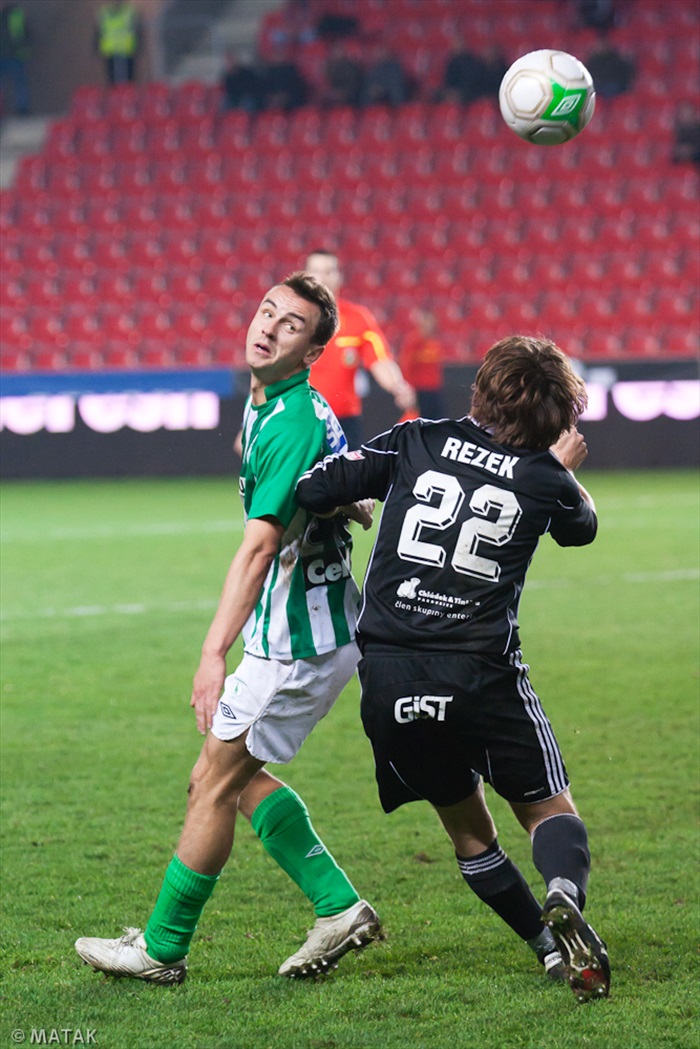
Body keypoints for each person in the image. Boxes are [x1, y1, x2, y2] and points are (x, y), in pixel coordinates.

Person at [75, 274, 382, 984]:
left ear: (312, 351)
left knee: (210, 785)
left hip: (299, 643)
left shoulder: (293, 418)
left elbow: (259, 547)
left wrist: (213, 652)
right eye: (267, 311)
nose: (268, 327)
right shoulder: (270, 401)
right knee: (228, 779)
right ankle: (338, 904)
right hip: (299, 630)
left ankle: (162, 950)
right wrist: (344, 501)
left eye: (291, 324)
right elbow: (332, 482)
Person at [296, 336, 611, 1002]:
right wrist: (561, 468)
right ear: (556, 418)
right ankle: (563, 891)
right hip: (481, 672)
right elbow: (581, 528)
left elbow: (314, 487)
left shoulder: (414, 441)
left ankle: (546, 949)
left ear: (479, 390)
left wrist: (351, 505)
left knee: (469, 831)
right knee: (548, 810)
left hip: (390, 677)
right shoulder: (545, 476)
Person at [304, 249, 416, 448]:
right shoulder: (293, 319)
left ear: (339, 276)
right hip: (302, 419)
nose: (322, 278)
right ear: (305, 277)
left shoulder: (358, 318)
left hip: (344, 423)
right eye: (316, 271)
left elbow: (381, 360)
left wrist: (398, 386)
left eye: (329, 271)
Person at [398, 307, 447, 420]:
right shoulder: (413, 341)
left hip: (434, 389)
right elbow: (406, 365)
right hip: (420, 390)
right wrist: (409, 387)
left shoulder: (435, 342)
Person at [96, 1, 140, 86]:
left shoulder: (129, 12)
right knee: (112, 80)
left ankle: (127, 93)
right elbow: (98, 32)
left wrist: (138, 47)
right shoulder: (104, 13)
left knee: (128, 79)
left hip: (127, 50)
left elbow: (137, 31)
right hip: (111, 51)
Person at [0, 1, 30, 115]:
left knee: (19, 82)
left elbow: (25, 33)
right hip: (5, 54)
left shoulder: (15, 14)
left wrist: (23, 49)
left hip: (14, 55)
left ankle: (22, 108)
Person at [671, 101, 700, 166]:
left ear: (694, 114)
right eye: (682, 114)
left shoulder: (698, 131)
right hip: (678, 167)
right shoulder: (675, 131)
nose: (685, 116)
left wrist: (692, 152)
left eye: (688, 113)